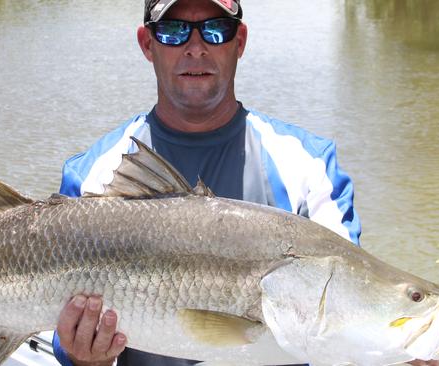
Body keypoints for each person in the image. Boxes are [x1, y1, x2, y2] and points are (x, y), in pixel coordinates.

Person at [51, 0, 362, 365]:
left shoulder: (311, 168)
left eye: (216, 29)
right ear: (147, 44)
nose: (195, 48)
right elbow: (62, 341)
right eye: (173, 31)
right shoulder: (92, 175)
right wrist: (87, 357)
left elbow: (348, 304)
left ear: (240, 41)